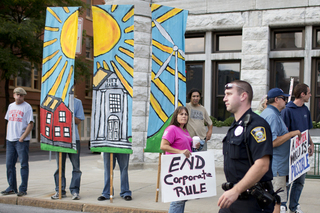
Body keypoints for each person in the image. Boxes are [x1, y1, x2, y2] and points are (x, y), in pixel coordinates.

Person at [217, 80, 274, 213]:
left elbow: (262, 165)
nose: (224, 98)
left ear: (243, 96)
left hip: (251, 201)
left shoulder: (256, 126)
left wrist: (236, 190)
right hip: (234, 198)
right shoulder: (236, 126)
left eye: (229, 94)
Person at [260, 88, 301, 213]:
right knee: (277, 203)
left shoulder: (270, 113)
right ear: (277, 100)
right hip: (276, 167)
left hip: (275, 165)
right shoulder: (272, 116)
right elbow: (271, 142)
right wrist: (290, 134)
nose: (287, 101)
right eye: (284, 98)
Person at [281, 83, 314, 213]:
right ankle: (282, 205)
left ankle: (294, 207)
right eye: (309, 92)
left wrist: (310, 143)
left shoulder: (305, 110)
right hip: (291, 152)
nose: (310, 95)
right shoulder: (287, 110)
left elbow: (306, 130)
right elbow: (283, 133)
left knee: (300, 181)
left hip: (303, 151)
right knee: (288, 181)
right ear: (302, 94)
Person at [160, 106, 200, 213]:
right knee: (178, 199)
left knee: (182, 198)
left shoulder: (185, 130)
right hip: (175, 168)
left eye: (186, 114)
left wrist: (195, 146)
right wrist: (180, 152)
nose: (184, 116)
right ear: (176, 116)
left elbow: (185, 147)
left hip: (184, 167)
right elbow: (163, 146)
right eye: (181, 114)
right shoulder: (172, 129)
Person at [1, 87, 34, 197]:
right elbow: (8, 121)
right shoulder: (11, 106)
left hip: (21, 141)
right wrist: (7, 136)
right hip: (10, 140)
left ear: (24, 96)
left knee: (23, 165)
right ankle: (12, 187)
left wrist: (22, 137)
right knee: (9, 165)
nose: (19, 97)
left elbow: (30, 124)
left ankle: (23, 189)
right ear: (14, 95)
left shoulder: (27, 107)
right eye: (17, 94)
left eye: (21, 95)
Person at [51, 97, 85, 200]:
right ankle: (60, 190)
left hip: (74, 139)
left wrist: (68, 113)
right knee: (59, 167)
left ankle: (75, 191)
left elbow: (78, 120)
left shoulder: (77, 102)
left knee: (76, 167)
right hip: (59, 138)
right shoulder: (55, 101)